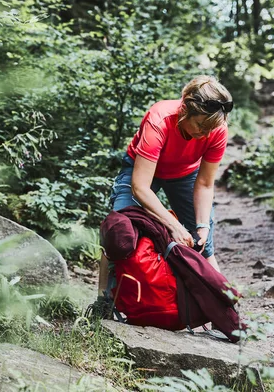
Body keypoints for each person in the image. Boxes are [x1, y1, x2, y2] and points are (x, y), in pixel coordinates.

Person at [97, 75, 233, 298]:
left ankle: (227, 310)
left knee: (203, 243)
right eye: (200, 125)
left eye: (210, 129)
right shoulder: (160, 118)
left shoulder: (217, 129)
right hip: (141, 170)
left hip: (186, 173)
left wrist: (202, 226)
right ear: (185, 110)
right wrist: (174, 225)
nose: (204, 134)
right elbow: (140, 187)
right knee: (118, 228)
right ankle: (103, 302)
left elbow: (206, 184)